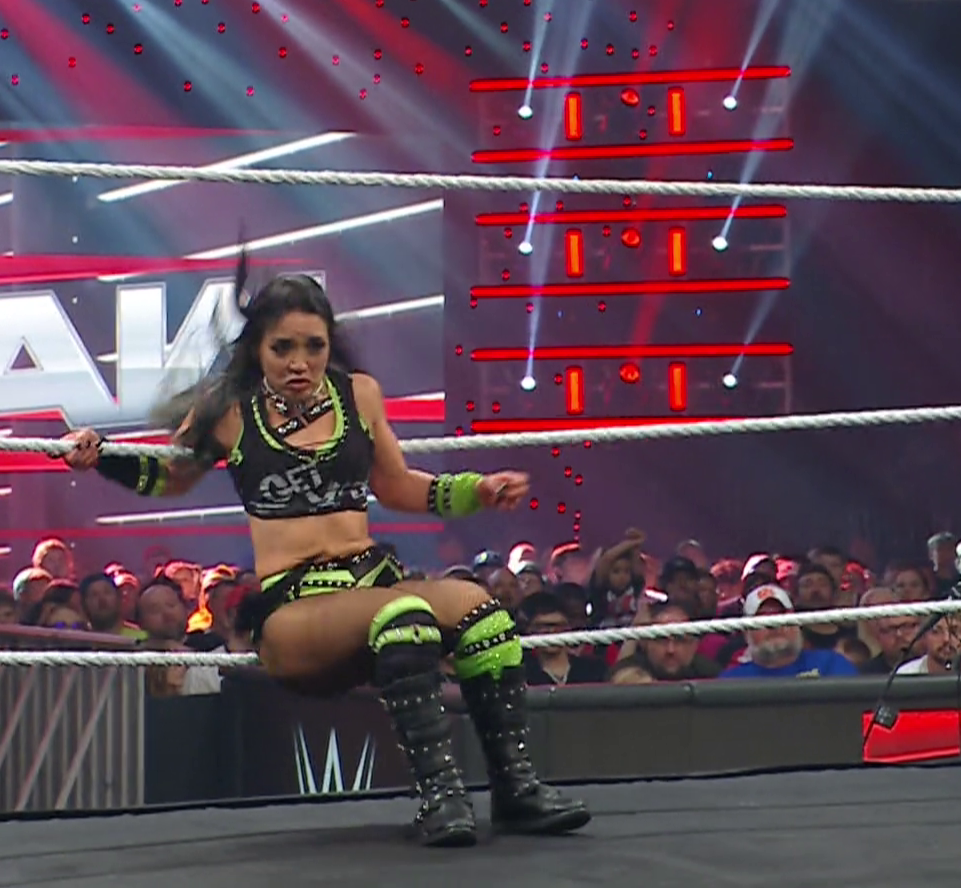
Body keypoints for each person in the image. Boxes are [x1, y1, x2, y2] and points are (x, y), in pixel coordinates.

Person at [60, 266, 586, 847]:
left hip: (372, 581)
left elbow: (396, 485)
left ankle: (516, 791)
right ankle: (442, 797)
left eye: (313, 346)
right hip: (297, 606)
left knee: (484, 614)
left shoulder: (358, 394)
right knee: (404, 618)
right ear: (257, 348)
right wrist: (102, 456)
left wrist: (476, 490)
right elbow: (170, 476)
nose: (299, 363)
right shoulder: (228, 410)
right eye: (282, 348)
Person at [718, 585, 859, 680]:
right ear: (746, 633)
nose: (773, 625)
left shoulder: (831, 664)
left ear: (796, 623)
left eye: (781, 616)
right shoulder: (732, 681)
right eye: (762, 618)